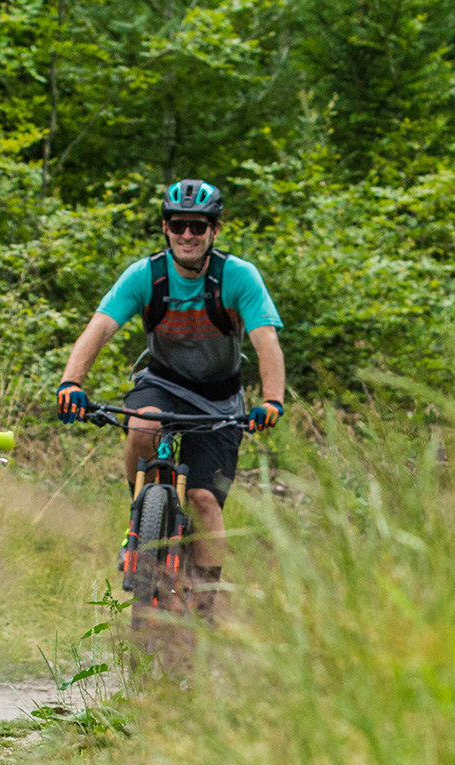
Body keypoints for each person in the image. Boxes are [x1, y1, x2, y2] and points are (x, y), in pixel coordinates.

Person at [56, 178, 285, 617]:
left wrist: (271, 400)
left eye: (198, 227)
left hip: (219, 400)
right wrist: (71, 383)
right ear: (165, 227)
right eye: (179, 225)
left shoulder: (237, 277)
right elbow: (100, 327)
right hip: (163, 383)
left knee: (203, 499)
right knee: (142, 423)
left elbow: (265, 341)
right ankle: (140, 515)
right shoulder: (147, 275)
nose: (187, 235)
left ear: (214, 231)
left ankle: (204, 605)